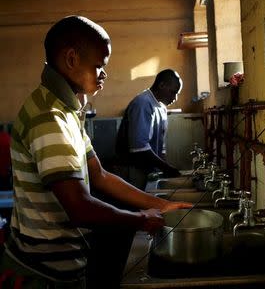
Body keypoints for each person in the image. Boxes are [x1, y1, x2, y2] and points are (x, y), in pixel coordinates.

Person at [0, 15, 191, 289]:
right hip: (42, 274)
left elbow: (99, 175)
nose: (104, 74)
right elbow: (79, 208)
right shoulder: (50, 117)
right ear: (71, 59)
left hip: (60, 267)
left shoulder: (67, 111)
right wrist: (140, 220)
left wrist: (159, 205)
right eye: (99, 66)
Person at [116, 69, 183, 191]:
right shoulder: (143, 104)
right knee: (135, 207)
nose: (175, 98)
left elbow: (161, 148)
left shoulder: (161, 108)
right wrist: (166, 168)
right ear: (161, 85)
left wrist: (165, 169)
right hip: (132, 170)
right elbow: (139, 149)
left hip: (149, 170)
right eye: (173, 92)